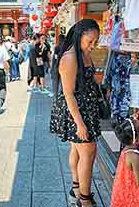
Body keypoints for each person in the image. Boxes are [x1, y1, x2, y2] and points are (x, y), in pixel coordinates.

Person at [50, 19, 101, 207]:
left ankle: (76, 187)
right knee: (88, 152)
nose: (93, 45)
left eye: (96, 41)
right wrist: (79, 123)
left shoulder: (83, 53)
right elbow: (68, 94)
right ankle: (85, 199)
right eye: (90, 41)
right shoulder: (70, 57)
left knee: (78, 150)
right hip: (76, 111)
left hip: (86, 107)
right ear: (79, 36)